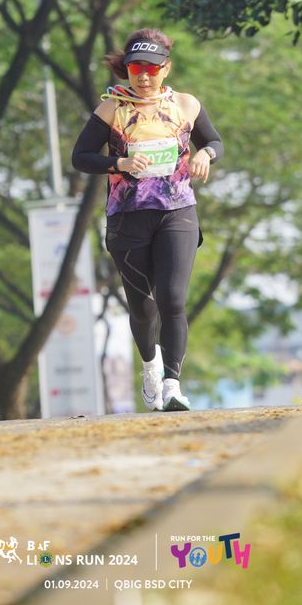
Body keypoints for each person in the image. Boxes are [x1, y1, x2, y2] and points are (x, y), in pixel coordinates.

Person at [72, 28, 223, 412]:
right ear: (126, 69)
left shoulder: (186, 105)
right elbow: (81, 157)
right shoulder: (112, 109)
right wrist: (119, 163)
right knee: (143, 308)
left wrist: (205, 154)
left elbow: (214, 141)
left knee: (173, 299)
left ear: (166, 68)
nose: (143, 76)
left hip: (177, 212)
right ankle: (151, 366)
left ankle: (172, 385)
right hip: (128, 217)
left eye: (152, 68)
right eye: (136, 68)